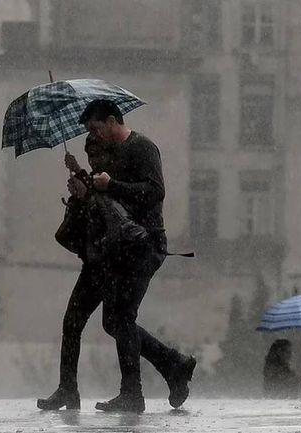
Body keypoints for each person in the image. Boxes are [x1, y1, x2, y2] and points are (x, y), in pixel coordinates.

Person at [37, 100, 196, 413]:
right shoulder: (107, 158)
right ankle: (70, 388)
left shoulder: (143, 147)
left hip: (142, 246)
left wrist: (111, 185)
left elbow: (153, 192)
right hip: (108, 252)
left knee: (119, 318)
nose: (94, 139)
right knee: (79, 320)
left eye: (96, 130)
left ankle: (135, 392)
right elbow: (103, 208)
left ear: (112, 121)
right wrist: (82, 188)